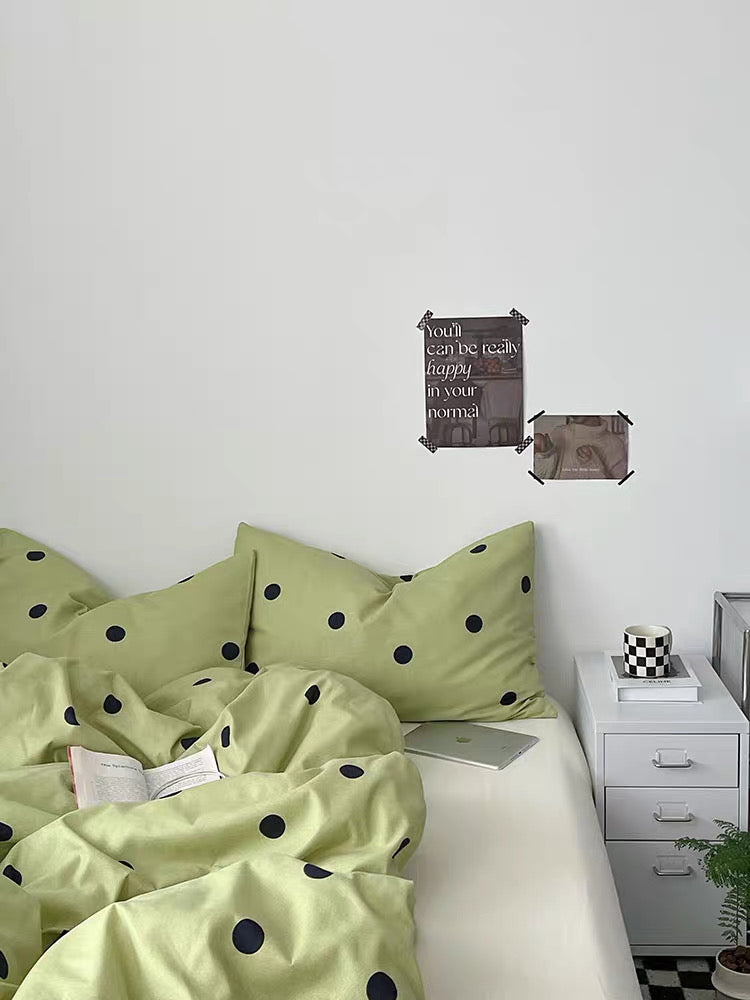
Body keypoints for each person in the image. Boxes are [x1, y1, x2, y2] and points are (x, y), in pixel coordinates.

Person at [533, 416, 627, 480]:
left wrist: (595, 464)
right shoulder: (559, 433)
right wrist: (544, 455)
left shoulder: (616, 444)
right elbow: (540, 478)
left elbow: (620, 491)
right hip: (558, 503)